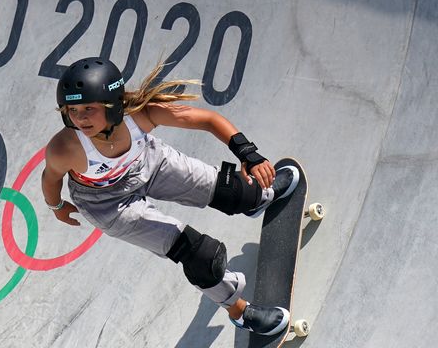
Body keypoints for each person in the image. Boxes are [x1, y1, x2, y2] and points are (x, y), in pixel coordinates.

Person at [41, 57, 300, 335]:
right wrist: (55, 205)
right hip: (108, 205)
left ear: (113, 107)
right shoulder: (65, 147)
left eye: (89, 109)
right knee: (199, 255)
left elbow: (208, 120)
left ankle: (256, 199)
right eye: (73, 110)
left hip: (149, 163)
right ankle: (240, 311)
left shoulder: (141, 114)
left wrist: (247, 153)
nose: (80, 118)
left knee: (235, 190)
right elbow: (51, 178)